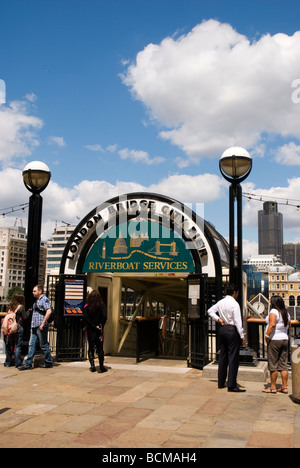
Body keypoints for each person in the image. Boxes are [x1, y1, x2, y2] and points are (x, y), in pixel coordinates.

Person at [208, 284, 247, 392]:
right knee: (233, 358)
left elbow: (210, 311)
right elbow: (238, 322)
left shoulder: (221, 302)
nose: (237, 294)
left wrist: (218, 319)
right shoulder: (234, 304)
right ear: (234, 292)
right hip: (231, 330)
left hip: (223, 329)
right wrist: (242, 336)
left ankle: (221, 382)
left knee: (223, 356)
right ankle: (231, 384)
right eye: (237, 292)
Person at [19, 285, 53, 370]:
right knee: (31, 344)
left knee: (43, 344)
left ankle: (48, 361)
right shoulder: (37, 301)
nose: (33, 293)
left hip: (40, 325)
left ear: (40, 291)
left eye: (34, 291)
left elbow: (49, 311)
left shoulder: (44, 299)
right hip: (34, 325)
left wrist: (43, 323)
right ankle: (28, 363)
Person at [263, 295, 291, 394]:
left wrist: (267, 336)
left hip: (275, 340)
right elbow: (289, 326)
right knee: (283, 365)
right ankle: (284, 387)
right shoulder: (285, 313)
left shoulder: (273, 312)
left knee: (273, 364)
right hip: (284, 339)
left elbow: (272, 324)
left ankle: (273, 387)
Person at [83, 290, 107, 373]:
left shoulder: (86, 306)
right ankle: (101, 366)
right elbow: (104, 316)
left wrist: (92, 326)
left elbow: (86, 318)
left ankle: (92, 365)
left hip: (90, 330)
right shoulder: (102, 305)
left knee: (91, 347)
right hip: (99, 329)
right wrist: (100, 325)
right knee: (100, 348)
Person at [3, 294, 27, 368]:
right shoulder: (21, 307)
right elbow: (25, 317)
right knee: (18, 345)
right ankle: (18, 363)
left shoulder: (10, 306)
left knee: (9, 345)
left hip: (9, 328)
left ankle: (8, 363)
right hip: (18, 327)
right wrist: (29, 312)